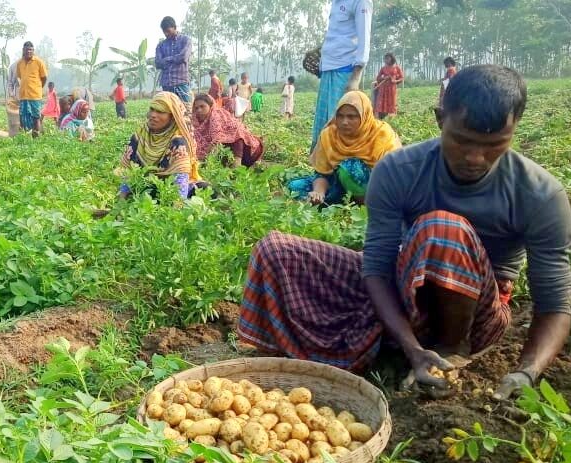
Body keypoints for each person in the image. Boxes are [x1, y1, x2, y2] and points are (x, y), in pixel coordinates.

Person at [241, 65, 570, 401]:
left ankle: (449, 352)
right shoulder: (399, 169)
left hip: (478, 318)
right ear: (441, 119)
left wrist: (527, 371)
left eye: (494, 145)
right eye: (462, 141)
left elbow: (556, 302)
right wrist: (412, 347)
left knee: (441, 228)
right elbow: (377, 267)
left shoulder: (540, 194)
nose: (475, 158)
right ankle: (405, 348)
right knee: (277, 251)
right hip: (405, 287)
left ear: (513, 131)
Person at [289, 91, 400, 205]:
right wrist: (318, 192)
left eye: (351, 117)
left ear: (364, 115)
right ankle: (336, 201)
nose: (344, 122)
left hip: (374, 189)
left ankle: (367, 206)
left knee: (348, 168)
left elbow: (393, 174)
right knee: (295, 187)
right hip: (339, 185)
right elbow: (322, 173)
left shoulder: (382, 134)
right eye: (340, 116)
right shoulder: (329, 135)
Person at [118, 92, 206, 200]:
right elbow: (128, 171)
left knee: (204, 190)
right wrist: (121, 202)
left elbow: (180, 182)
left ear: (173, 116)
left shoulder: (178, 142)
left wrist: (176, 210)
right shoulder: (140, 135)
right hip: (144, 188)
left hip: (167, 190)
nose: (153, 115)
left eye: (160, 111)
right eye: (152, 109)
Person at [312, 0, 373, 152]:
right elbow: (336, 35)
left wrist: (355, 77)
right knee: (324, 123)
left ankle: (340, 164)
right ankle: (322, 163)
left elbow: (364, 37)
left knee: (340, 122)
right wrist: (322, 65)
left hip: (345, 70)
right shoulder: (335, 3)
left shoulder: (360, 2)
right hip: (329, 69)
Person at [192, 94, 264, 168]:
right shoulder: (198, 123)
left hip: (249, 152)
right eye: (196, 108)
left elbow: (217, 138)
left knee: (235, 132)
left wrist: (206, 160)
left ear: (210, 105)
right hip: (229, 155)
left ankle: (236, 165)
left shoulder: (216, 114)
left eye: (202, 106)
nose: (199, 110)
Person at [155, 16, 193, 103]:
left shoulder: (185, 40)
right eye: (164, 32)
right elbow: (157, 63)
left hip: (181, 83)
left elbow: (183, 57)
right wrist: (175, 59)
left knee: (186, 110)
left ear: (175, 27)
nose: (166, 34)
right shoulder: (161, 45)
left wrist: (166, 59)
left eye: (168, 31)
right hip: (166, 85)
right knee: (168, 113)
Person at [16, 42, 48, 137]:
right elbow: (20, 77)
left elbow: (44, 77)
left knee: (36, 116)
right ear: (23, 50)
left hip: (35, 95)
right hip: (23, 94)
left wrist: (38, 87)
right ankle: (23, 136)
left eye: (31, 50)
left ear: (33, 51)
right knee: (22, 116)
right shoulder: (19, 63)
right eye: (27, 49)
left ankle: (36, 136)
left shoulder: (39, 62)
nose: (29, 51)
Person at [372, 53, 404, 119]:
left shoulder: (397, 68)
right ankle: (381, 116)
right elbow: (378, 78)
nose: (386, 60)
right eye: (385, 59)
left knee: (392, 102)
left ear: (392, 59)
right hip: (383, 88)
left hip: (392, 88)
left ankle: (391, 117)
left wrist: (395, 81)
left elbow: (401, 78)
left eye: (388, 58)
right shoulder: (383, 68)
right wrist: (384, 78)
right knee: (382, 102)